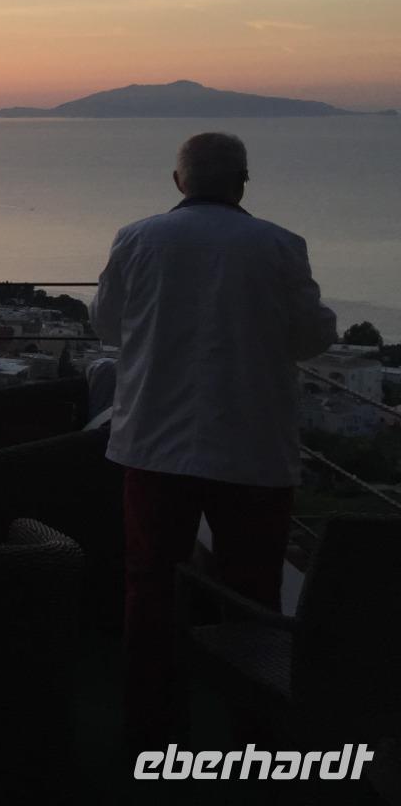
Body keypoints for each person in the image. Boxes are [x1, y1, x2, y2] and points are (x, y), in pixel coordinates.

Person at [89, 132, 336, 750]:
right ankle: (253, 729)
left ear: (179, 182)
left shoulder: (138, 238)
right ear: (242, 182)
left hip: (153, 443)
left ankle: (148, 725)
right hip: (251, 446)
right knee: (251, 589)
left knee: (149, 583)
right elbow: (311, 338)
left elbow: (108, 324)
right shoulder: (279, 246)